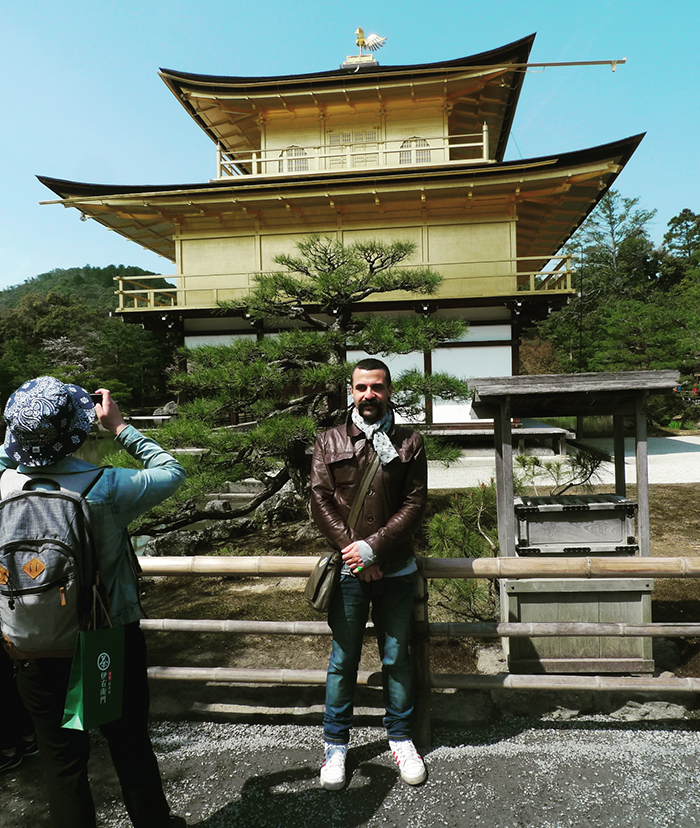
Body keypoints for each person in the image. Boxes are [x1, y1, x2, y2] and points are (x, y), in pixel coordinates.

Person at [0, 376, 187, 828]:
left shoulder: (4, 483)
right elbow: (172, 471)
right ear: (78, 428)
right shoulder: (105, 485)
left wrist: (24, 437)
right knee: (129, 747)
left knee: (62, 765)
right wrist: (120, 427)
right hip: (106, 640)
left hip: (31, 645)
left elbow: (9, 453)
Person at [310, 357, 428, 791]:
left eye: (376, 388)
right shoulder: (329, 439)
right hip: (347, 570)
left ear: (389, 390)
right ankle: (335, 746)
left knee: (396, 657)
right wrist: (355, 552)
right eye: (361, 388)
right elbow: (319, 501)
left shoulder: (410, 441)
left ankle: (400, 737)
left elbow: (415, 504)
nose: (368, 396)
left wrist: (373, 547)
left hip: (396, 568)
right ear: (351, 389)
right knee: (343, 660)